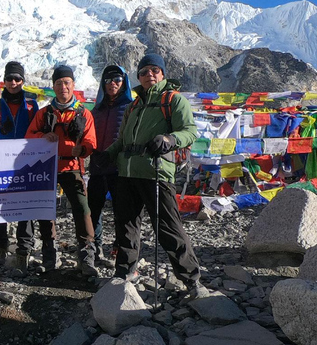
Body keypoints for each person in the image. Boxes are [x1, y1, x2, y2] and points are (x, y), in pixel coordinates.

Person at [105, 53, 209, 298]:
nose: (149, 75)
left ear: (162, 74)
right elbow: (122, 139)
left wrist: (170, 139)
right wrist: (108, 154)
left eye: (154, 70)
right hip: (128, 173)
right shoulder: (134, 105)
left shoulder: (173, 100)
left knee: (168, 228)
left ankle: (191, 279)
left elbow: (190, 131)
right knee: (126, 224)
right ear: (139, 77)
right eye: (143, 72)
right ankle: (125, 271)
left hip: (157, 172)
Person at [26, 65, 98, 277]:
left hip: (72, 168)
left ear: (73, 85)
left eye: (66, 83)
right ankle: (50, 254)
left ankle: (86, 255)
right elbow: (29, 136)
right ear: (53, 87)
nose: (63, 87)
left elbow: (91, 140)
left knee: (82, 210)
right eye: (59, 83)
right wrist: (42, 137)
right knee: (46, 212)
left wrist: (83, 149)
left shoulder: (83, 113)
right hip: (47, 168)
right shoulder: (44, 113)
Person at [0, 61, 40, 266]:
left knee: (25, 204)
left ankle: (24, 248)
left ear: (23, 81)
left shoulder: (33, 105)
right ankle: (0, 246)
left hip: (25, 163)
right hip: (1, 162)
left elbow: (37, 130)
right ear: (4, 81)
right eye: (9, 79)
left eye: (17, 79)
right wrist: (5, 140)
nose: (13, 82)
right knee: (0, 204)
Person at [88, 65, 133, 268]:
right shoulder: (96, 109)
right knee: (94, 209)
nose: (112, 84)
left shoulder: (132, 107)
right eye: (108, 80)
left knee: (121, 210)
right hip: (97, 165)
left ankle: (120, 247)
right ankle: (95, 247)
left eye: (117, 79)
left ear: (124, 82)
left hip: (120, 168)